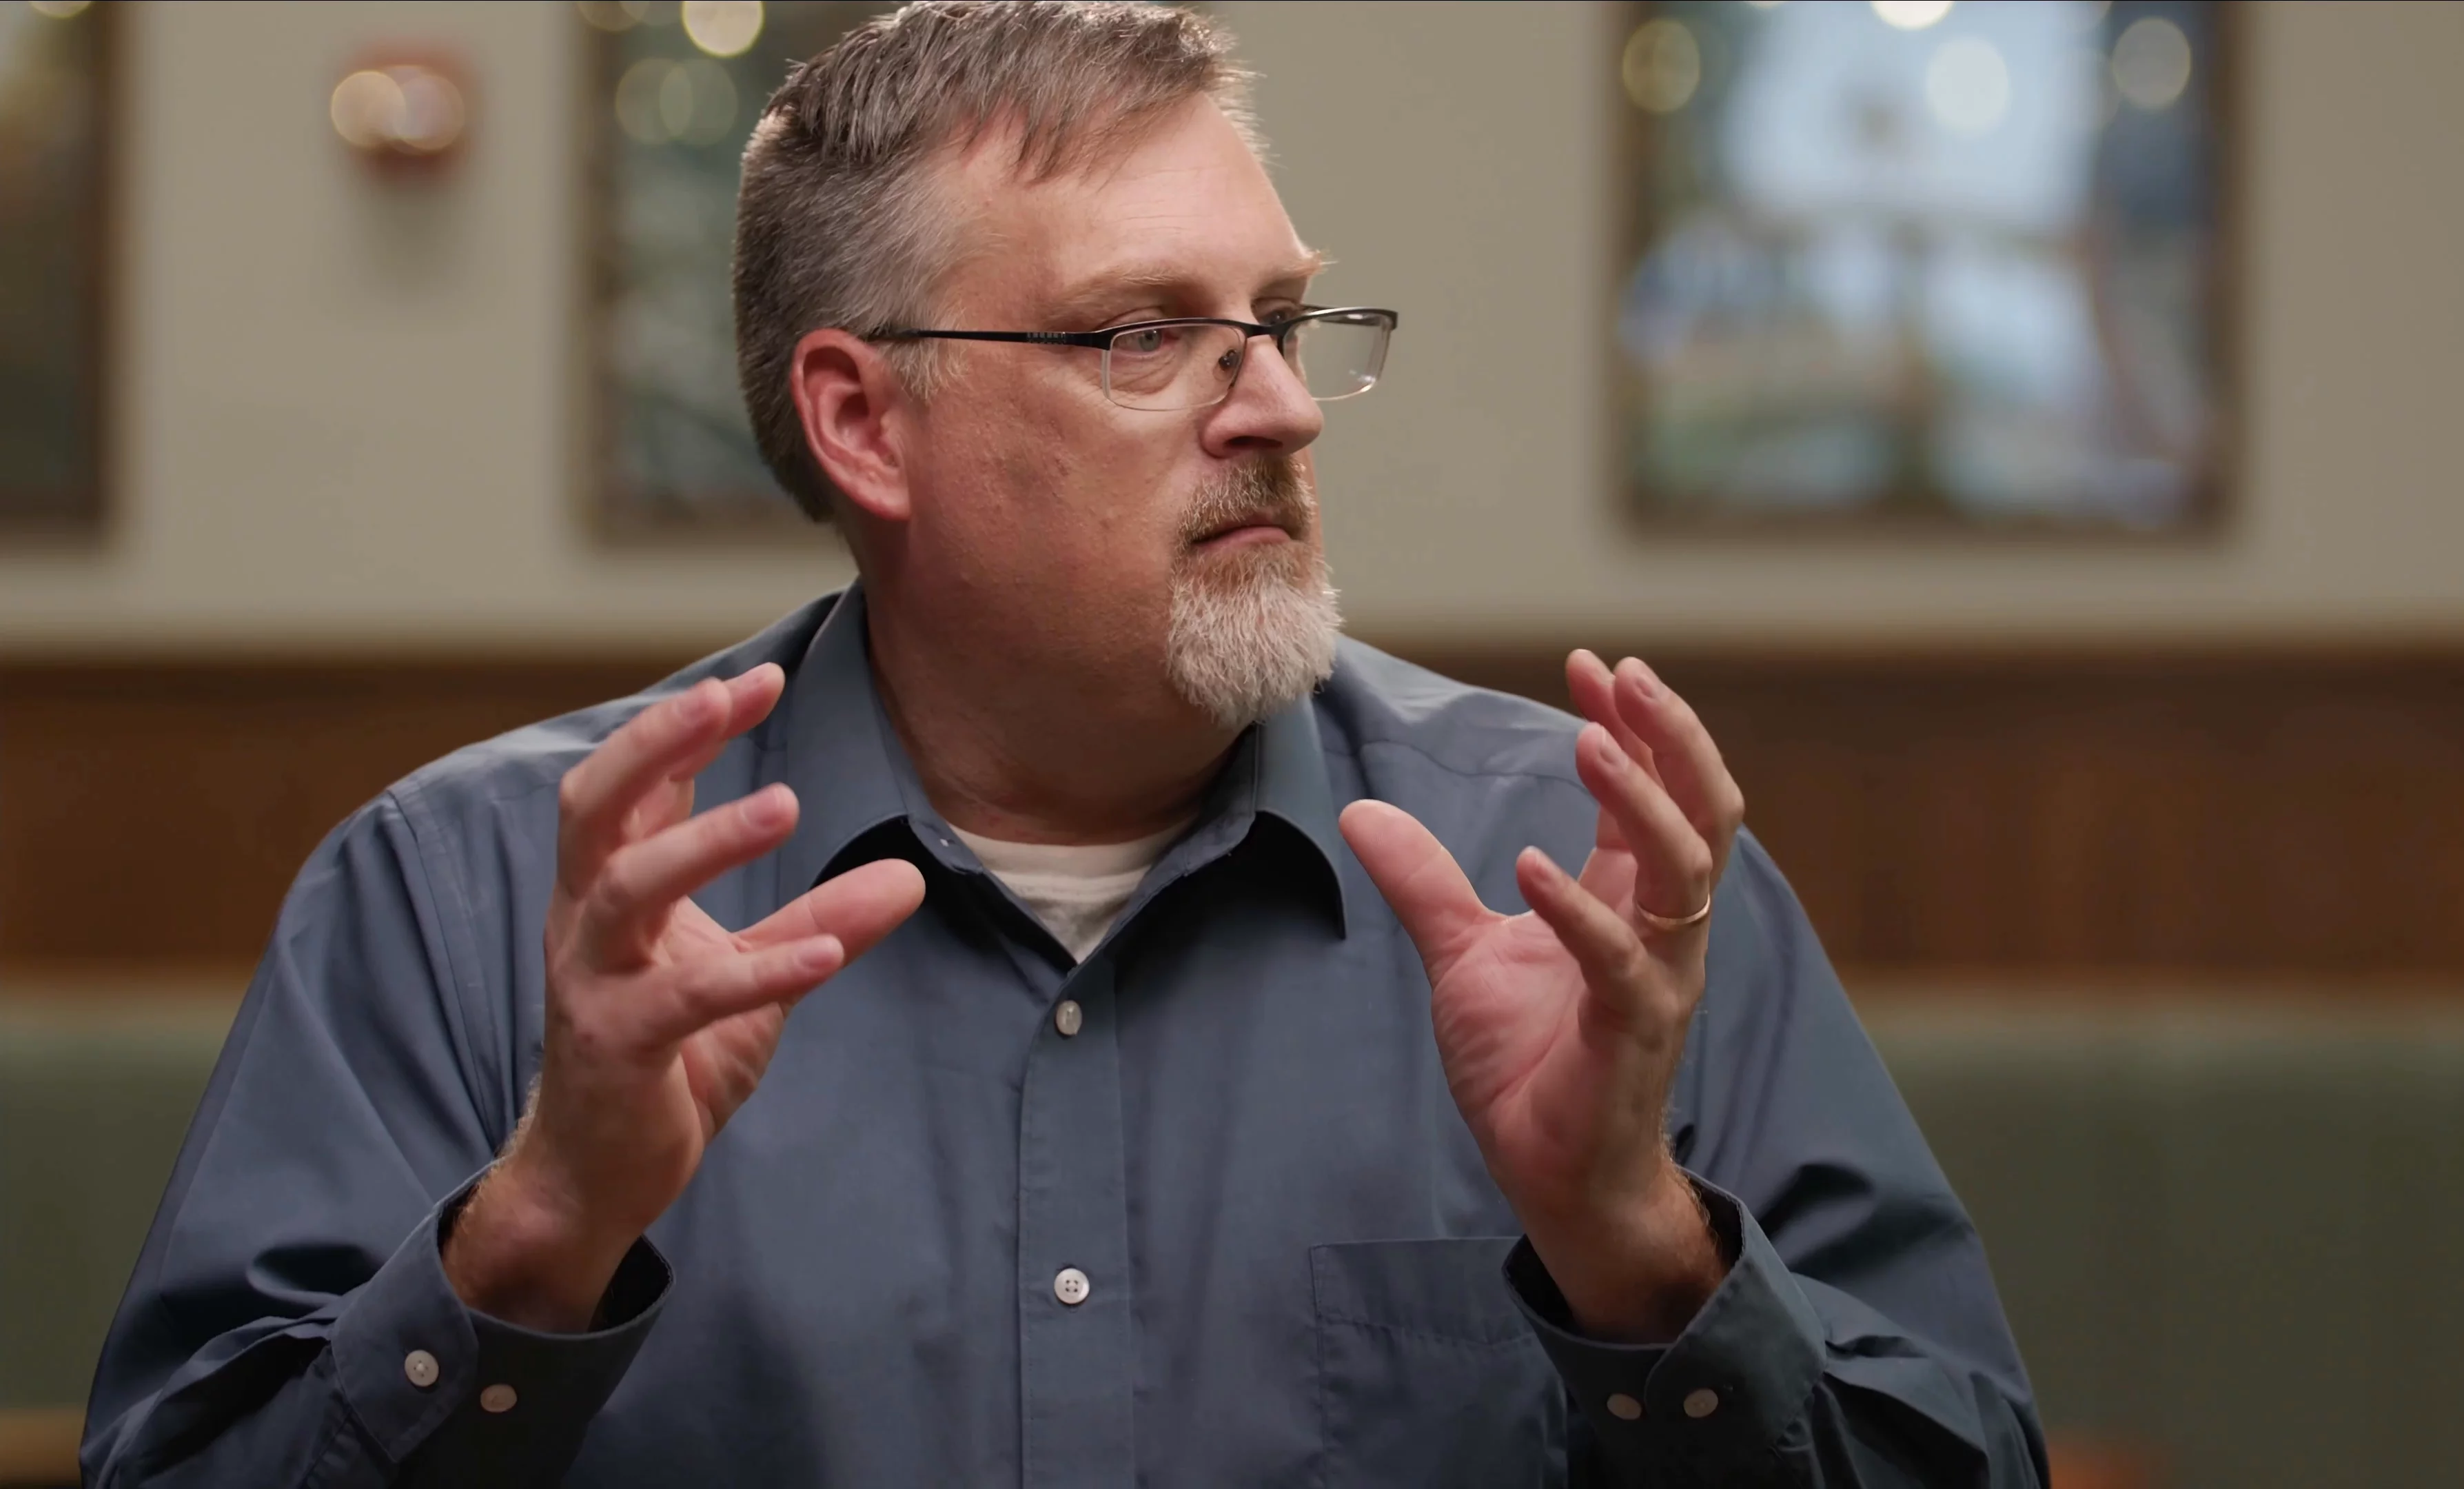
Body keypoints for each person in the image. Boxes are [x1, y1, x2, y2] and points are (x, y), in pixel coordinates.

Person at [83, 5, 2042, 1485]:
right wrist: (537, 1236)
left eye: (1282, 320)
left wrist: (1636, 1253)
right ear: (864, 424)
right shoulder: (471, 900)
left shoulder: (1588, 877)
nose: (1281, 407)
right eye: (1140, 335)